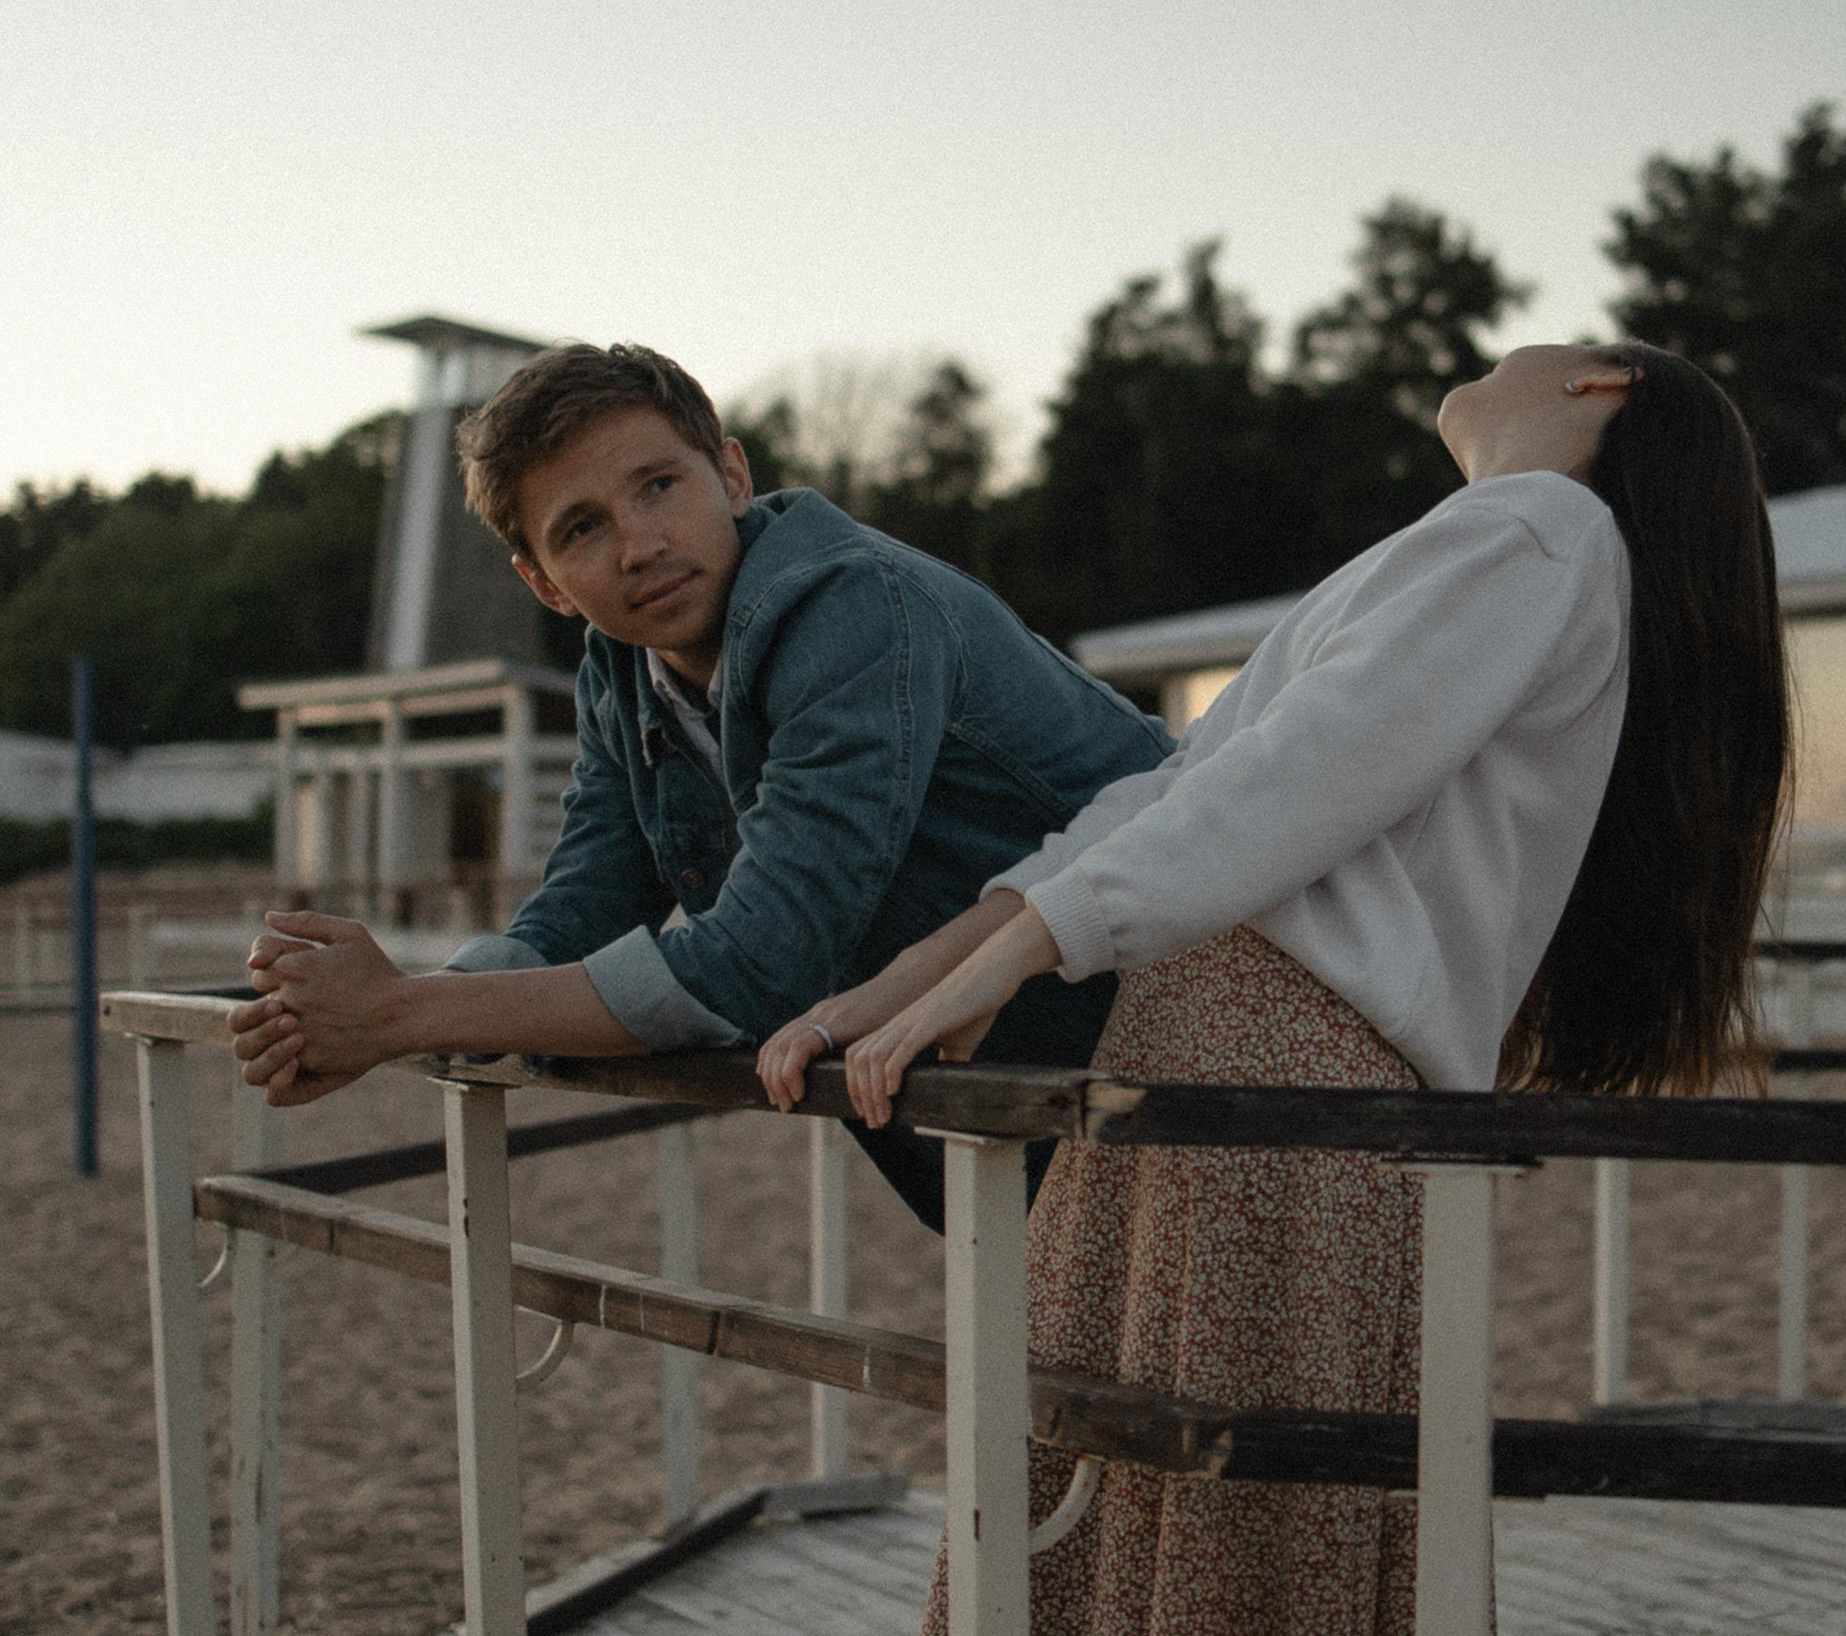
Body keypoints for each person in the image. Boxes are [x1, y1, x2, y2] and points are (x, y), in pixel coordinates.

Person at [759, 339, 1789, 1636]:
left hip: (1289, 1106)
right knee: (1037, 1605)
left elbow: (1282, 792)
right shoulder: (1484, 541)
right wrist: (921, 970)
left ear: (1592, 380)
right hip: (1185, 1078)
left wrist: (1020, 956)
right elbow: (1183, 791)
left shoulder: (1536, 531)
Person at [228, 341, 1167, 1222]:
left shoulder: (852, 610)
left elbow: (762, 960)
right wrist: (373, 1006)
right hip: (1017, 1102)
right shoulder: (623, 671)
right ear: (544, 583)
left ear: (731, 474)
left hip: (1174, 1041)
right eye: (583, 528)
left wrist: (398, 1016)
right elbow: (581, 907)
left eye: (658, 487)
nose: (640, 546)